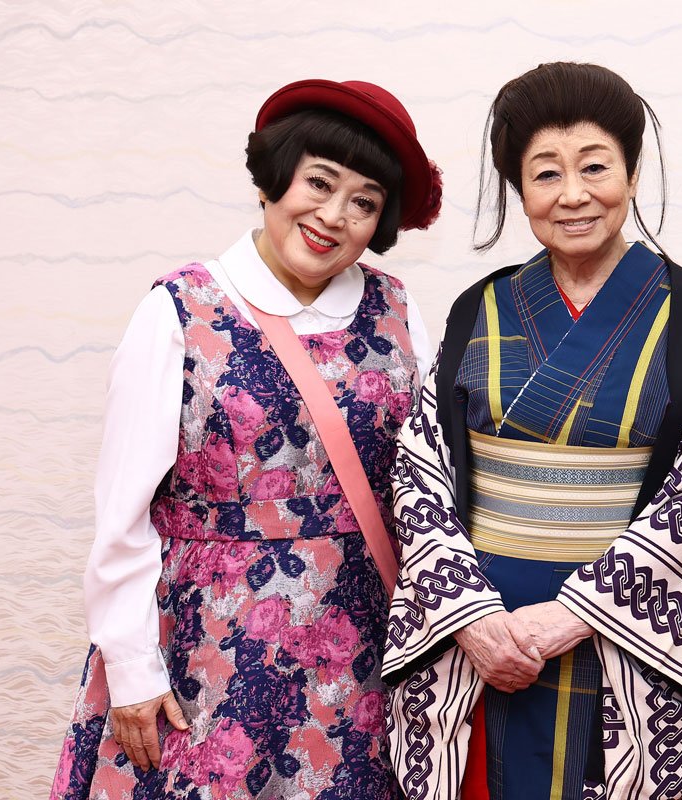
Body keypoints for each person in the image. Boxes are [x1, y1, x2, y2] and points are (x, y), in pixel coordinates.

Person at [50, 78, 442, 800]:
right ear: (273, 178)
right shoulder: (180, 309)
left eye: (364, 202)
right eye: (319, 183)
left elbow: (426, 478)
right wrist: (133, 670)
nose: (334, 216)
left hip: (359, 657)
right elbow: (123, 512)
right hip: (206, 655)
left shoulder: (397, 309)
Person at [380, 62, 682, 800]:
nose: (573, 194)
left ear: (632, 173)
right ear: (520, 190)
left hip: (628, 640)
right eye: (546, 173)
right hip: (484, 639)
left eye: (595, 167)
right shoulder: (478, 308)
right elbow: (420, 470)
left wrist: (577, 613)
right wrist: (468, 617)